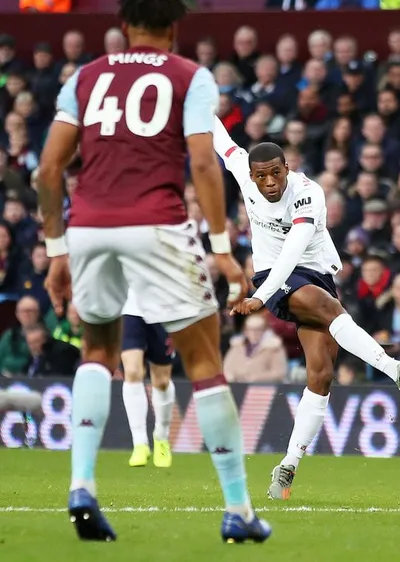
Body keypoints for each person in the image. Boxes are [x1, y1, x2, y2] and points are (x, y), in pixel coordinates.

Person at [37, 0, 270, 543]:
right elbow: (205, 162)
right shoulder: (190, 76)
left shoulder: (86, 77)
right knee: (204, 358)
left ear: (124, 27)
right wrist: (221, 247)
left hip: (89, 227)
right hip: (158, 224)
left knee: (97, 351)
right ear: (173, 28)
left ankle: (82, 485)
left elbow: (49, 169)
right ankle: (238, 508)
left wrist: (56, 250)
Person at [213, 118, 400, 501]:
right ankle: (396, 370)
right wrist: (192, 95)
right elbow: (221, 139)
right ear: (250, 174)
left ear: (288, 168)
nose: (269, 183)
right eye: (261, 176)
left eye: (276, 174)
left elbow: (298, 247)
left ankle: (287, 467)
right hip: (274, 275)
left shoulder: (307, 192)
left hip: (310, 273)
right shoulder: (242, 169)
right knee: (326, 309)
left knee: (322, 374)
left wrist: (259, 298)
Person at [120, 290, 176, 469]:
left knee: (161, 380)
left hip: (163, 309)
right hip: (130, 309)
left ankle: (161, 437)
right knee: (132, 371)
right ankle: (139, 443)